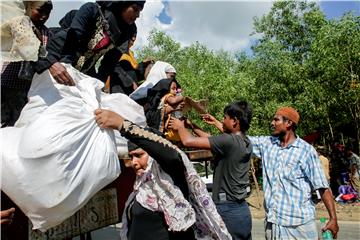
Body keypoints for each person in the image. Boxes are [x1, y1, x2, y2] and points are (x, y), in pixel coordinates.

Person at [94, 109, 232, 240]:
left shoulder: (171, 176)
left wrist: (122, 125)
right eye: (131, 157)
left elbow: (169, 153)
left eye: (139, 155)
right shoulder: (144, 186)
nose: (134, 162)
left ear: (154, 155)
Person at [248, 107, 339, 239]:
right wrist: (218, 123)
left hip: (299, 227)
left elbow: (322, 187)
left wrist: (333, 219)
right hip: (273, 224)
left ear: (289, 123)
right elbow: (240, 141)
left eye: (276, 120)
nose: (272, 123)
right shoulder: (267, 144)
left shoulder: (306, 151)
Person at [168, 100, 253, 240]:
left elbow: (188, 141)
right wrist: (192, 126)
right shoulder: (246, 141)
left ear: (235, 121)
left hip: (228, 210)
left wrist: (180, 127)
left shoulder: (229, 141)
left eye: (225, 118)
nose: (222, 120)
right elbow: (214, 140)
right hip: (242, 211)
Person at [33, 1, 145, 86]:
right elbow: (72, 38)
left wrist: (97, 85)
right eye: (135, 9)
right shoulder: (92, 10)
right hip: (56, 57)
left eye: (140, 11)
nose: (138, 15)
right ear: (123, 4)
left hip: (82, 71)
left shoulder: (124, 33)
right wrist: (60, 65)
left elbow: (108, 64)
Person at [1, 0, 53, 127]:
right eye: (40, 11)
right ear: (29, 8)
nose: (44, 16)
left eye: (48, 13)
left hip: (29, 88)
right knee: (4, 119)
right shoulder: (19, 25)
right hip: (10, 82)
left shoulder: (48, 34)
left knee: (19, 122)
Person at [105, 29, 153, 95]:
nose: (133, 38)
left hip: (131, 89)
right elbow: (116, 68)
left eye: (135, 37)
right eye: (132, 35)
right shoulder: (116, 50)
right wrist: (130, 82)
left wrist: (144, 63)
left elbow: (135, 72)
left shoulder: (130, 53)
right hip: (119, 87)